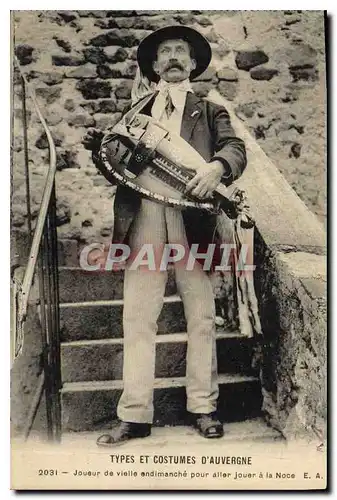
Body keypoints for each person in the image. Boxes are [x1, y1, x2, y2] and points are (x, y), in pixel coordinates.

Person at [83, 25, 247, 446]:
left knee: (201, 316)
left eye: (181, 51)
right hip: (144, 218)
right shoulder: (135, 113)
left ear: (193, 63)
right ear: (155, 65)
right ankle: (134, 413)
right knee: (138, 315)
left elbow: (234, 149)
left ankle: (203, 406)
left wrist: (216, 169)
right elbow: (117, 161)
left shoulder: (209, 110)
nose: (173, 57)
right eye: (165, 52)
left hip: (192, 219)